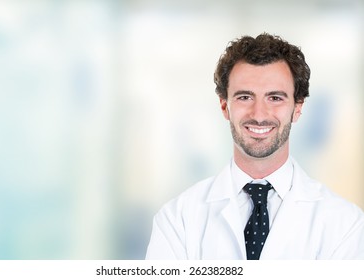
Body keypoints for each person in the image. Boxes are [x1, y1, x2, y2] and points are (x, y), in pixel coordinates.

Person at [145, 33, 364, 259]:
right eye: (245, 97)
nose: (259, 115)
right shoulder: (176, 220)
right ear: (224, 106)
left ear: (297, 108)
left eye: (275, 98)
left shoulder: (344, 223)